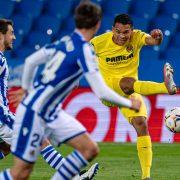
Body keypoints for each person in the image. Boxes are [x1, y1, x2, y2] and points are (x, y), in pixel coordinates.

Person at [0, 2, 141, 180]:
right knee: (23, 170)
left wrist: (26, 89)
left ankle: (74, 177)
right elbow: (102, 92)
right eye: (11, 33)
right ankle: (75, 177)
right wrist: (129, 103)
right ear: (98, 25)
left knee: (89, 148)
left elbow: (31, 62)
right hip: (34, 109)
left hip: (48, 109)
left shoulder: (64, 42)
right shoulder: (85, 50)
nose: (13, 37)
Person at [0, 18, 100, 180]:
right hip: (1, 116)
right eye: (11, 33)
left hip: (2, 115)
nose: (14, 37)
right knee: (40, 139)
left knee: (6, 147)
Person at [90, 14, 177, 180]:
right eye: (118, 31)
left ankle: (146, 176)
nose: (122, 36)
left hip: (130, 89)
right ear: (112, 29)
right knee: (127, 83)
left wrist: (158, 37)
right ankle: (165, 87)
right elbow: (79, 57)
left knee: (141, 124)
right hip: (107, 89)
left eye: (126, 32)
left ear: (132, 30)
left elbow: (153, 41)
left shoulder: (137, 36)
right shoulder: (99, 42)